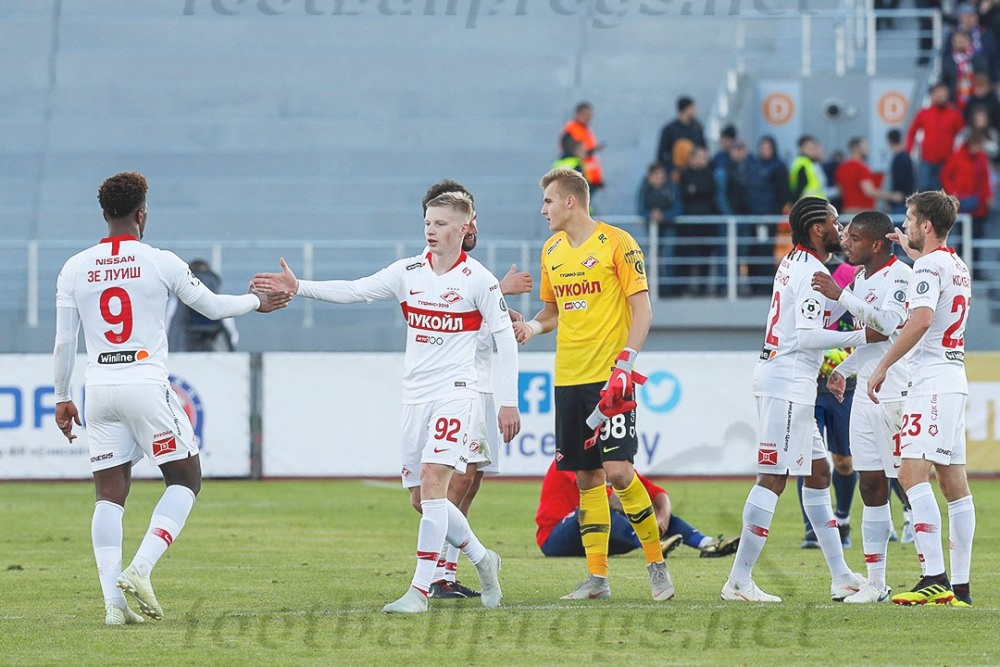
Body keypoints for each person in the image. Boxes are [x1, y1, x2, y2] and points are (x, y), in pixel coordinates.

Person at [253, 192, 520, 613]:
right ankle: (483, 558)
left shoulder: (479, 280)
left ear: (464, 228)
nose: (431, 230)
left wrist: (508, 401)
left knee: (434, 480)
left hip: (456, 391)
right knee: (421, 499)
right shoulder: (407, 272)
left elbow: (506, 338)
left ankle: (419, 591)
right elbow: (355, 290)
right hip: (414, 395)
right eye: (428, 222)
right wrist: (299, 286)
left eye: (441, 224)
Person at [52, 171, 290, 626]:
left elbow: (65, 342)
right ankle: (140, 569)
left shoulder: (74, 267)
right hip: (144, 382)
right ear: (142, 214)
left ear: (104, 214)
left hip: (98, 387)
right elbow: (213, 308)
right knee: (185, 479)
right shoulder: (160, 261)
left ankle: (113, 605)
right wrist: (256, 302)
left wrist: (62, 396)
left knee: (109, 495)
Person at [512, 167, 674, 601]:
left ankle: (656, 564)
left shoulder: (617, 242)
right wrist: (530, 328)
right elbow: (552, 313)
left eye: (548, 201)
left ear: (570, 201)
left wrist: (626, 364)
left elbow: (643, 311)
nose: (543, 210)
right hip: (568, 377)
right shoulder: (551, 251)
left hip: (610, 378)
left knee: (619, 472)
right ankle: (597, 578)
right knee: (586, 479)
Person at [720, 196, 885, 603]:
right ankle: (738, 581)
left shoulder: (793, 262)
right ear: (817, 229)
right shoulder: (811, 270)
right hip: (789, 380)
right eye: (834, 221)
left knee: (818, 473)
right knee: (773, 477)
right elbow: (808, 336)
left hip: (788, 377)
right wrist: (862, 336)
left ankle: (840, 576)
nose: (840, 228)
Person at [417, 180, 533, 599]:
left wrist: (502, 309)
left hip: (481, 384)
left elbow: (478, 325)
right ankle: (438, 572)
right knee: (452, 481)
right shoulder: (440, 271)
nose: (474, 226)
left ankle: (446, 571)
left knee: (471, 481)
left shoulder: (471, 273)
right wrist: (501, 291)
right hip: (461, 387)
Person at [867, 191, 975, 607]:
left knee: (911, 474)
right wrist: (909, 247)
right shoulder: (955, 264)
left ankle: (934, 577)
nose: (905, 225)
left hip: (930, 382)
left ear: (926, 225)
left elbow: (922, 318)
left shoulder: (928, 266)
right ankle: (960, 588)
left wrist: (883, 365)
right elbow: (931, 274)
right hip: (954, 377)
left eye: (910, 220)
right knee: (954, 483)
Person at [810, 211, 915, 603]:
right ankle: (876, 583)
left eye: (854, 238)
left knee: (911, 484)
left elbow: (887, 325)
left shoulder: (900, 276)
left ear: (876, 244)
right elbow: (871, 341)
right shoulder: (859, 279)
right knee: (870, 484)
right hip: (865, 396)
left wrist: (841, 295)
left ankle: (934, 575)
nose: (846, 243)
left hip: (896, 394)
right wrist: (844, 370)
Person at [536, 461, 740, 559]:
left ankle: (707, 544)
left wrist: (662, 517)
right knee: (593, 509)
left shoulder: (614, 465)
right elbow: (604, 498)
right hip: (554, 539)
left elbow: (658, 494)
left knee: (650, 509)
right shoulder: (571, 459)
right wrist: (646, 516)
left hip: (597, 540)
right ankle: (651, 543)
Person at [799, 258, 858, 550]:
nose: (844, 239)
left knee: (843, 461)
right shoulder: (801, 272)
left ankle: (842, 519)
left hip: (844, 384)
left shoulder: (853, 274)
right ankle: (812, 529)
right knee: (807, 458)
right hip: (808, 383)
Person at [165, 259, 240, 351]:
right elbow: (231, 332)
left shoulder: (178, 299)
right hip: (214, 349)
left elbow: (167, 327)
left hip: (184, 349)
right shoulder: (218, 296)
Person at [906, 82, 966, 192]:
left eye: (943, 92)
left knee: (943, 192)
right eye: (938, 92)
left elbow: (962, 136)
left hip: (947, 161)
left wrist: (958, 156)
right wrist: (909, 150)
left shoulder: (955, 115)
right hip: (926, 160)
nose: (941, 95)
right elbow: (912, 132)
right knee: (923, 192)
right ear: (932, 95)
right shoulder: (924, 113)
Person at [678, 146, 721, 295]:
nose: (703, 160)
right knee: (687, 256)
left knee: (705, 256)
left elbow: (710, 193)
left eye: (705, 157)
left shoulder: (709, 174)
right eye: (700, 157)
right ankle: (684, 287)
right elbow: (686, 195)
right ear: (692, 158)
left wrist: (696, 191)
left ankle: (702, 288)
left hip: (707, 223)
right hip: (689, 224)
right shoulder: (685, 175)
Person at [637, 162, 682, 297]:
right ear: (649, 176)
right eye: (655, 175)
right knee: (654, 257)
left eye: (661, 175)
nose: (658, 178)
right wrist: (651, 215)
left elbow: (678, 208)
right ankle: (656, 289)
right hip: (651, 228)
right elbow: (640, 209)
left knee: (668, 256)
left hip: (668, 227)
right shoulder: (645, 188)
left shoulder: (672, 188)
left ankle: (668, 289)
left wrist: (664, 216)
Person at [835, 137, 893, 215]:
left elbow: (840, 192)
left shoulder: (841, 168)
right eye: (865, 147)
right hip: (862, 212)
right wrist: (892, 196)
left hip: (847, 211)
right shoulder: (862, 168)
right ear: (857, 149)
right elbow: (869, 191)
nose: (868, 150)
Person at [656, 96, 707, 174]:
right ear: (684, 110)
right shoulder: (669, 130)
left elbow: (703, 147)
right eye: (692, 108)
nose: (695, 111)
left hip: (695, 170)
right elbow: (661, 155)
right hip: (676, 171)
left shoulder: (697, 127)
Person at [561, 102, 605, 191]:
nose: (588, 118)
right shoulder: (572, 129)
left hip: (587, 177)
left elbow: (587, 153)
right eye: (585, 114)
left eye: (590, 115)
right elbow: (575, 151)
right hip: (575, 173)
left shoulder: (587, 131)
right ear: (577, 114)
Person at [886, 129, 916, 217]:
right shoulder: (906, 157)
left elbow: (898, 181)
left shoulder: (899, 158)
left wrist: (891, 200)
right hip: (906, 199)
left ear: (890, 141)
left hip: (900, 200)